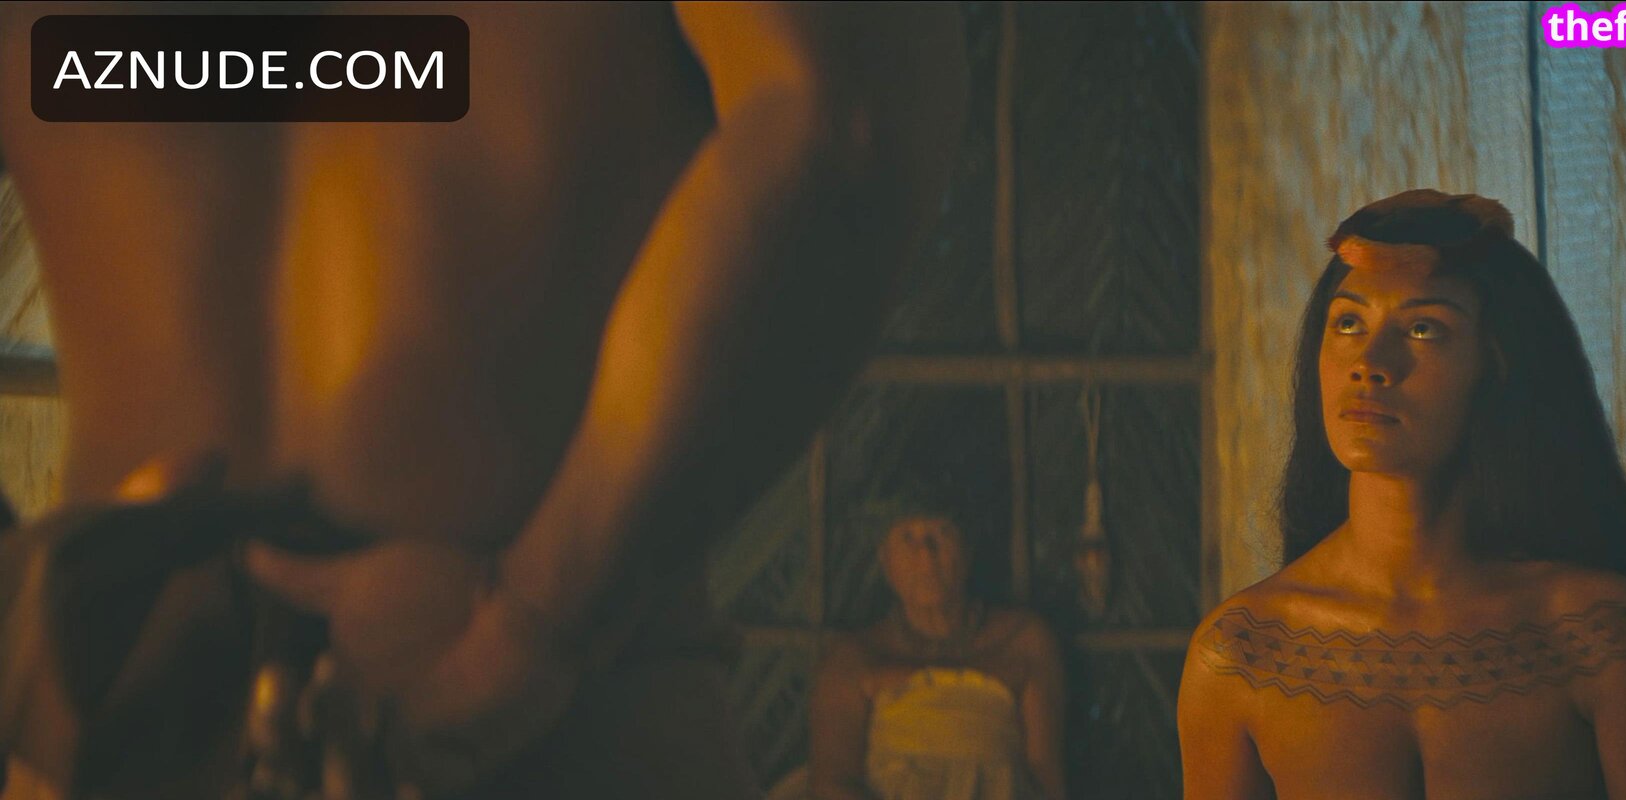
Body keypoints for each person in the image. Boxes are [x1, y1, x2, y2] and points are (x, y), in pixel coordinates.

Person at [0, 3, 966, 798]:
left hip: (134, 720)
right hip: (544, 725)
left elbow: (841, 120)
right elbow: (843, 119)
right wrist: (536, 621)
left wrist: (535, 624)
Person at [1177, 190, 1626, 799]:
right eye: (1347, 323)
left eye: (1423, 328)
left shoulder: (1603, 636)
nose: (1369, 362)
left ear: (1498, 365)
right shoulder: (1243, 653)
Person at [776, 508, 1067, 800]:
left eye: (941, 533)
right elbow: (832, 784)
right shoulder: (854, 657)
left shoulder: (1023, 639)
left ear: (967, 550)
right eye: (907, 537)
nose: (926, 555)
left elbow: (1046, 779)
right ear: (885, 559)